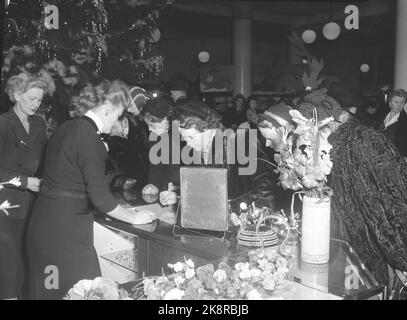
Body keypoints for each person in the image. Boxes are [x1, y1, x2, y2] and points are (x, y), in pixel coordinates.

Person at [26, 80, 155, 300]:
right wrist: (134, 217)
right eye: (117, 116)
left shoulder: (66, 127)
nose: (117, 122)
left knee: (50, 290)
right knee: (86, 292)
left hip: (45, 225)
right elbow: (100, 198)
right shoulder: (89, 137)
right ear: (106, 110)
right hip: (65, 235)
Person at [295, 88, 407, 295]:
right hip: (342, 248)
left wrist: (400, 256)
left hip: (371, 251)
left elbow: (394, 199)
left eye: (313, 126)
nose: (307, 134)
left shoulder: (364, 140)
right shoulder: (329, 145)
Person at [0, 72, 51, 300]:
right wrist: (24, 182)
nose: (36, 104)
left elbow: (45, 158)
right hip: (7, 204)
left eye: (39, 100)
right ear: (17, 95)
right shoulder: (2, 124)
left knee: (30, 258)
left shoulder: (39, 123)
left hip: (34, 202)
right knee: (9, 264)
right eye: (32, 98)